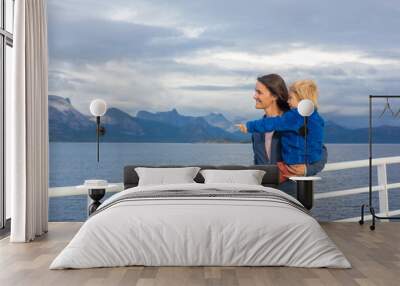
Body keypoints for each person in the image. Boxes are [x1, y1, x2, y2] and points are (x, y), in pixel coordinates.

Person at [237, 75, 327, 193]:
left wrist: (307, 169)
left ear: (274, 96)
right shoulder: (258, 129)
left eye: (259, 92)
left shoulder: (297, 120)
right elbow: (258, 161)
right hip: (264, 191)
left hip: (291, 190)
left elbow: (320, 150)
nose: (254, 96)